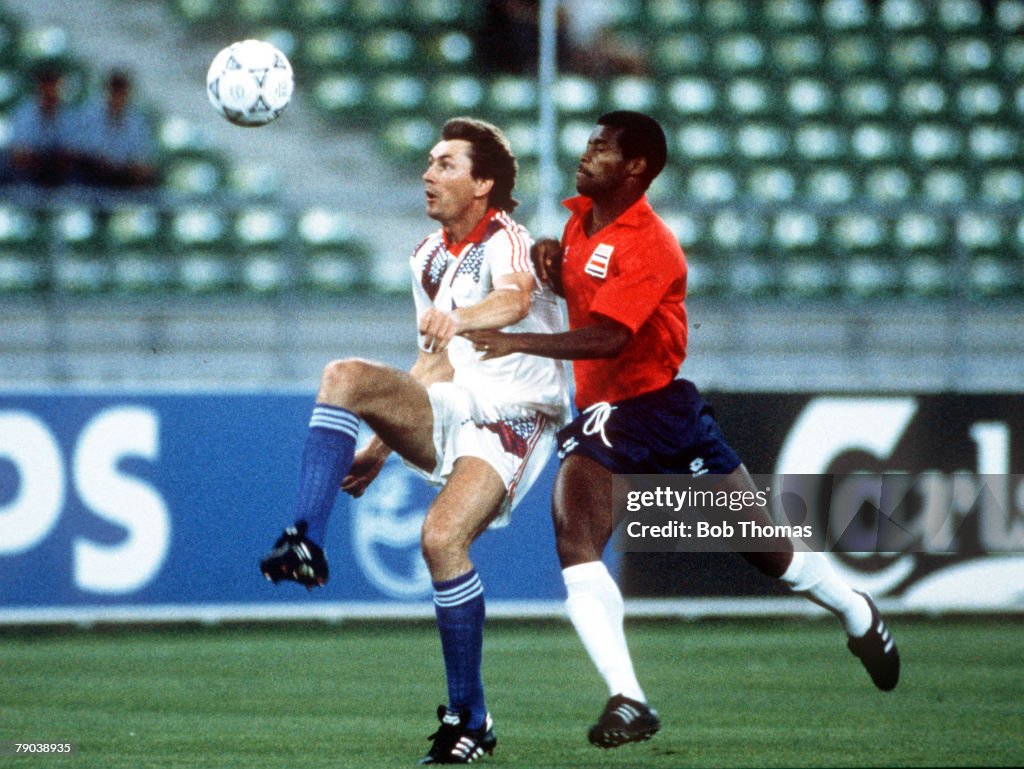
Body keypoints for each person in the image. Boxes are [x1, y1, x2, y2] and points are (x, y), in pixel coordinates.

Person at [463, 111, 901, 749]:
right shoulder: (579, 219)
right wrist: (554, 269)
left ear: (636, 167)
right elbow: (585, 293)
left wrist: (514, 340)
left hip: (663, 411)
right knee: (574, 535)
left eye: (602, 149)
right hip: (606, 418)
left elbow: (613, 335)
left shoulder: (653, 243)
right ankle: (629, 698)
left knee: (764, 550)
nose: (586, 156)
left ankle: (856, 610)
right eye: (589, 144)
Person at [259, 117, 567, 764]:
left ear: (484, 183)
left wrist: (458, 316)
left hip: (514, 414)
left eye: (446, 164)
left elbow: (512, 301)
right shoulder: (428, 256)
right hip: (456, 400)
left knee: (440, 538)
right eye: (429, 162)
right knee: (345, 377)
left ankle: (469, 719)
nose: (428, 173)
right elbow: (434, 361)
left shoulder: (508, 239)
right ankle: (304, 539)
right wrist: (379, 445)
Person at [73, 68, 159, 189]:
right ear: (108, 90)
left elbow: (142, 155)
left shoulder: (137, 121)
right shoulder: (89, 113)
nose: (118, 95)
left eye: (122, 91)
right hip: (93, 174)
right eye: (115, 90)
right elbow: (81, 149)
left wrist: (134, 167)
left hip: (125, 176)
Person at [5, 65, 78, 186]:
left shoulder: (70, 114)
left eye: (54, 86)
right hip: (27, 174)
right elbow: (19, 155)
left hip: (61, 174)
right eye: (46, 86)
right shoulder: (24, 111)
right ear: (39, 88)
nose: (50, 91)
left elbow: (72, 153)